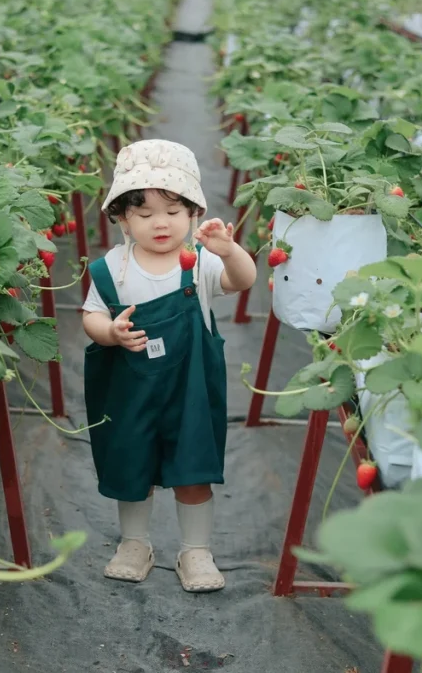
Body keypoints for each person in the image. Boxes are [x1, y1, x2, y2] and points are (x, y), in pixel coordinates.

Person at [81, 139, 257, 592]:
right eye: (144, 215)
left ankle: (195, 551)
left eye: (174, 212)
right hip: (129, 390)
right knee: (131, 471)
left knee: (193, 472)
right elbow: (91, 315)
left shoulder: (198, 264)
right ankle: (135, 543)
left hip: (190, 391)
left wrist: (229, 251)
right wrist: (109, 332)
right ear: (121, 217)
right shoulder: (113, 268)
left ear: (194, 214)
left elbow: (243, 281)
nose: (161, 223)